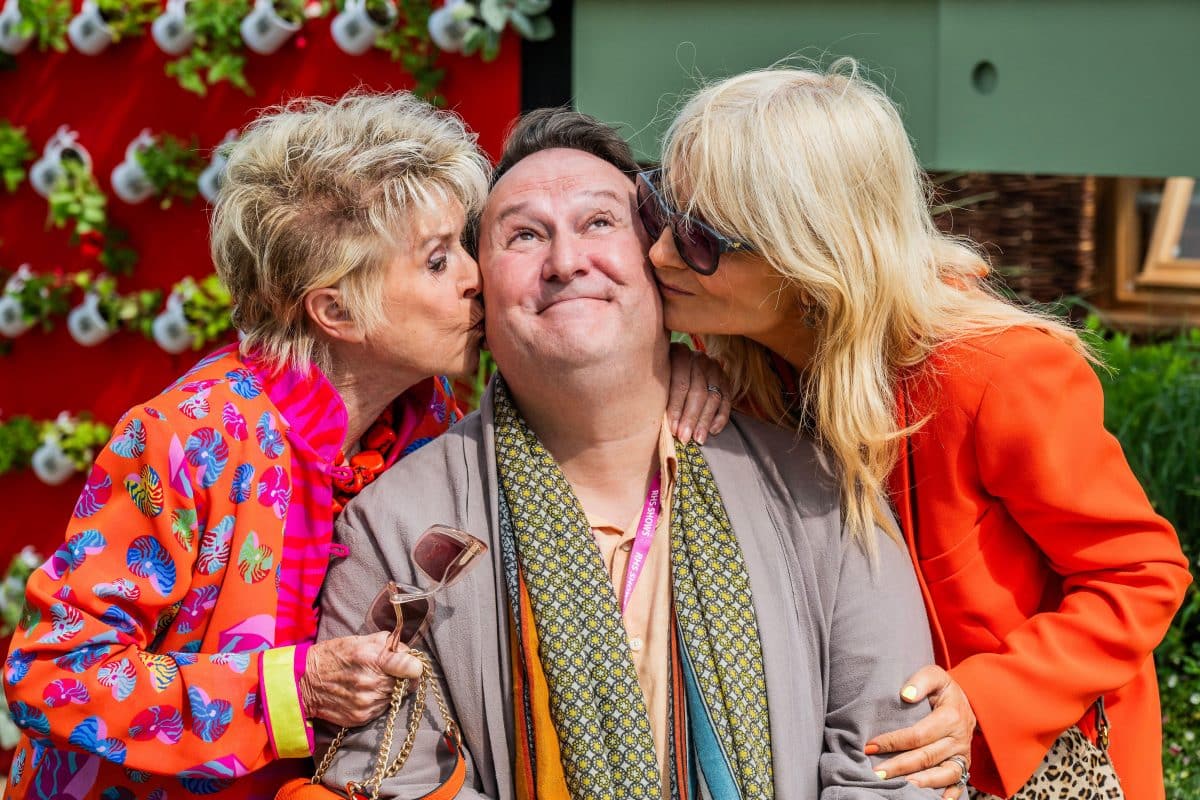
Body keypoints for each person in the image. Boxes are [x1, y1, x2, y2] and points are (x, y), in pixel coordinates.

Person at [315, 108, 943, 800]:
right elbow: (383, 776)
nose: (566, 261)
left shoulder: (815, 486)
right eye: (524, 235)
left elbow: (893, 760)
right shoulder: (395, 529)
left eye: (599, 223)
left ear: (660, 264)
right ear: (479, 291)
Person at [644, 61, 1193, 799]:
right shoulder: (749, 362)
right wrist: (677, 369)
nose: (658, 254)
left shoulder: (995, 371)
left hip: (1026, 768)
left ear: (810, 256)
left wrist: (986, 699)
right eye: (658, 213)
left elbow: (1141, 572)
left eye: (700, 238)